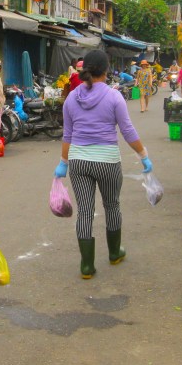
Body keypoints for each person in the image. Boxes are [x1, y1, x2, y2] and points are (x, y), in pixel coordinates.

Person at [54, 50, 152, 279]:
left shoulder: (71, 98)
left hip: (78, 161)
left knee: (85, 212)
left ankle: (86, 266)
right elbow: (127, 131)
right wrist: (143, 155)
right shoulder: (114, 96)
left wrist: (63, 163)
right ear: (106, 70)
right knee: (112, 206)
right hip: (107, 161)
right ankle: (115, 252)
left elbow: (67, 135)